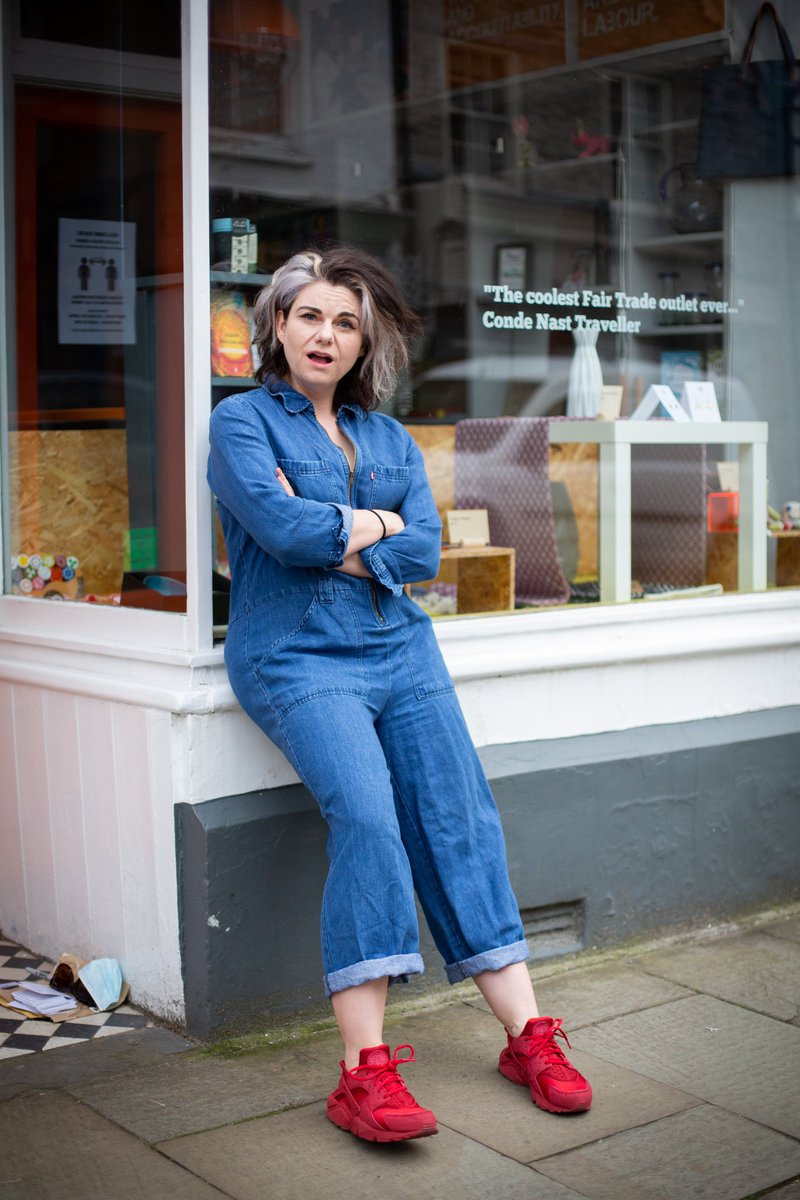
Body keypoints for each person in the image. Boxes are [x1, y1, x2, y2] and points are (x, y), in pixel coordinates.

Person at [207, 246, 592, 1145]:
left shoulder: (385, 438)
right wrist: (372, 526)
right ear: (277, 323)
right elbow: (280, 529)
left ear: (363, 339)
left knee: (458, 817)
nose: (326, 335)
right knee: (372, 821)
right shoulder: (241, 425)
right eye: (310, 316)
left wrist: (351, 528)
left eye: (346, 322)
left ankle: (528, 1037)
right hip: (297, 656)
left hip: (401, 648)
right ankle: (361, 1075)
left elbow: (424, 552)